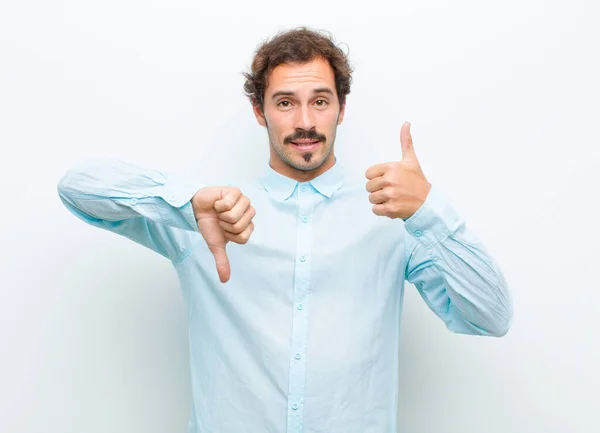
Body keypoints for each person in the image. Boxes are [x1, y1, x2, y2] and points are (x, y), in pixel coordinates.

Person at [57, 26, 513, 433]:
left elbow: (491, 317)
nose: (305, 123)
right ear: (259, 111)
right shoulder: (207, 217)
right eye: (285, 103)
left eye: (319, 101)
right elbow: (77, 187)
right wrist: (183, 204)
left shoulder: (393, 219)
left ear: (341, 108)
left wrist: (428, 208)